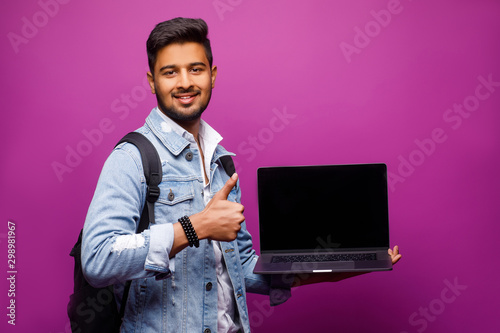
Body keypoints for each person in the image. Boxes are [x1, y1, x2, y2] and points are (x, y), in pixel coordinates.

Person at [82, 17, 401, 333]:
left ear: (212, 75)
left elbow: (242, 268)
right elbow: (98, 261)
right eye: (170, 72)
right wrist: (197, 227)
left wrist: (333, 269)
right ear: (152, 82)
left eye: (195, 69)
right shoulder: (132, 158)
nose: (184, 82)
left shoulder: (222, 164)